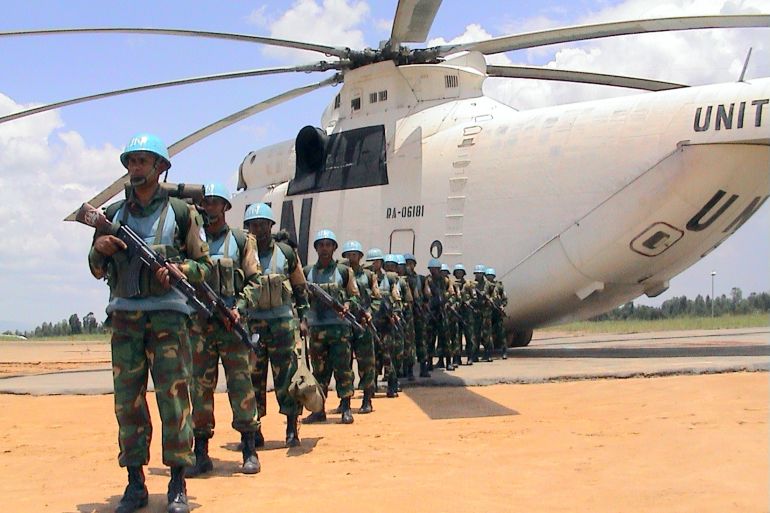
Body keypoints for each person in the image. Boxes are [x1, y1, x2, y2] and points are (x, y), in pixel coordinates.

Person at [87, 133, 212, 513]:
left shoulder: (182, 213)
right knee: (129, 403)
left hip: (169, 319)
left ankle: (176, 482)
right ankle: (135, 482)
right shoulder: (116, 215)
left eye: (143, 161)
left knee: (174, 399)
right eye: (131, 162)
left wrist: (179, 269)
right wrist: (100, 248)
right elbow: (96, 269)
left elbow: (203, 267)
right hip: (125, 318)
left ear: (161, 168)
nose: (135, 168)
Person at [186, 183, 261, 477]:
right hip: (200, 326)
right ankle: (201, 452)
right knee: (200, 389)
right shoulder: (192, 239)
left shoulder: (242, 240)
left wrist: (238, 309)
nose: (210, 208)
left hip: (231, 325)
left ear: (226, 208)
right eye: (206, 203)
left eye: (216, 203)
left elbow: (255, 280)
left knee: (241, 386)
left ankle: (249, 448)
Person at [243, 203, 308, 447]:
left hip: (282, 325)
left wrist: (303, 318)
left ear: (271, 226)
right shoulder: (243, 253)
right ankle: (254, 430)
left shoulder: (286, 253)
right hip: (254, 325)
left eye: (262, 224)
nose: (257, 229)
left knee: (288, 378)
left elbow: (299, 286)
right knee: (253, 379)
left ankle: (292, 428)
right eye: (253, 225)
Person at [302, 229, 360, 424]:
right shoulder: (307, 272)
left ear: (334, 248)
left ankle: (346, 407)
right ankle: (319, 409)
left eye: (328, 245)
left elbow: (354, 295)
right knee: (319, 371)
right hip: (317, 329)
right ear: (316, 248)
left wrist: (347, 306)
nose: (324, 248)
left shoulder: (343, 271)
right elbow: (300, 297)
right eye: (321, 245)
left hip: (339, 328)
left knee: (343, 368)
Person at [341, 240, 380, 413]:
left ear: (360, 256)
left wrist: (371, 312)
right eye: (348, 255)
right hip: (345, 323)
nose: (351, 258)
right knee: (344, 363)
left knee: (366, 362)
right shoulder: (341, 273)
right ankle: (345, 400)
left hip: (363, 323)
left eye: (354, 255)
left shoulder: (369, 276)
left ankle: (367, 399)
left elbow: (377, 298)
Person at [368, 249, 403, 397]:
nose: (373, 264)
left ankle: (392, 386)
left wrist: (395, 313)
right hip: (373, 323)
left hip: (387, 324)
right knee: (373, 356)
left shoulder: (390, 279)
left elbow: (396, 299)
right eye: (371, 262)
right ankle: (372, 386)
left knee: (388, 356)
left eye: (375, 261)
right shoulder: (368, 278)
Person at [404, 253, 430, 377]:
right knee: (408, 343)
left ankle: (423, 367)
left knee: (421, 341)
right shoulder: (402, 279)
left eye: (411, 263)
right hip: (407, 315)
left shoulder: (421, 279)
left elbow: (427, 295)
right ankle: (408, 369)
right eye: (406, 263)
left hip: (419, 314)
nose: (409, 266)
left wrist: (424, 304)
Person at [395, 254, 417, 380]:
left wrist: (403, 306)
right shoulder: (392, 280)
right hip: (396, 316)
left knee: (409, 344)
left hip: (406, 316)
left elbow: (410, 300)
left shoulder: (408, 281)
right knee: (398, 345)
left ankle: (409, 370)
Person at [453, 264, 477, 365]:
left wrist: (469, 302)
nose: (459, 274)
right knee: (456, 337)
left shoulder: (469, 285)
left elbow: (474, 297)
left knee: (469, 336)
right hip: (457, 313)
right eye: (457, 272)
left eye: (460, 272)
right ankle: (457, 358)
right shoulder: (453, 285)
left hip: (467, 314)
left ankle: (470, 357)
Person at [473, 264, 495, 362]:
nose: (478, 275)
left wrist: (489, 299)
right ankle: (475, 354)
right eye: (476, 274)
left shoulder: (489, 285)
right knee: (476, 334)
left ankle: (488, 353)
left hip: (486, 312)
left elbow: (495, 296)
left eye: (480, 274)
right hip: (477, 311)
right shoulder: (473, 284)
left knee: (486, 334)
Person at [485, 268, 509, 359]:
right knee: (488, 333)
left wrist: (502, 306)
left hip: (497, 312)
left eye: (491, 276)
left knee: (501, 333)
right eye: (488, 276)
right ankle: (489, 352)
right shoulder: (484, 286)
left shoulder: (499, 286)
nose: (489, 278)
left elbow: (504, 298)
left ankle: (504, 351)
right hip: (488, 312)